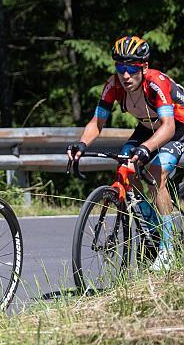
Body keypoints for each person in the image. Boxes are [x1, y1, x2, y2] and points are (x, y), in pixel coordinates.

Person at [68, 35, 184, 271]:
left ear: (144, 67)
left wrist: (146, 148)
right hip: (147, 126)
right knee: (125, 167)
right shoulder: (113, 85)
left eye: (132, 68)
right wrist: (81, 144)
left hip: (178, 127)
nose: (126, 75)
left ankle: (169, 248)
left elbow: (169, 127)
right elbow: (97, 123)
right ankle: (152, 226)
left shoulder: (155, 83)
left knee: (154, 173)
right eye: (121, 68)